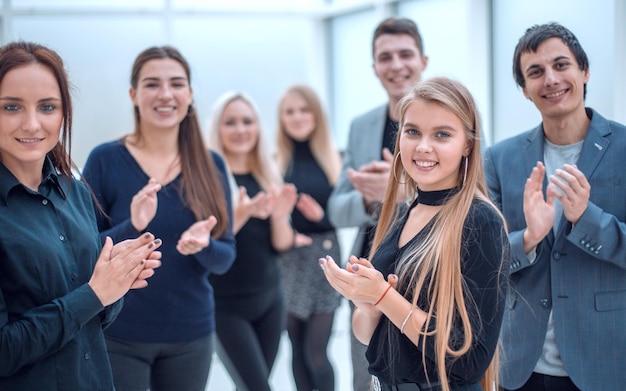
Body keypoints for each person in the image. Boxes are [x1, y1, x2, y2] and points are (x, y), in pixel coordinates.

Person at [320, 77, 509, 391]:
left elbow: (468, 361)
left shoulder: (480, 221)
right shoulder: (403, 213)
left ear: (467, 145)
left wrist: (383, 296)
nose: (423, 146)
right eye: (412, 132)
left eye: (442, 134)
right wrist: (367, 304)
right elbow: (369, 337)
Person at [0, 41, 162, 390]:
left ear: (63, 113)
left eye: (47, 107)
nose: (31, 123)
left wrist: (115, 284)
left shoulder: (75, 193)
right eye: (11, 106)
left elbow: (92, 319)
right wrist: (95, 293)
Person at [82, 46, 236, 391]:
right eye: (152, 84)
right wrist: (133, 226)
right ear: (134, 95)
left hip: (191, 335)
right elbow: (84, 253)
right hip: (118, 334)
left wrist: (203, 246)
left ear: (190, 95)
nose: (165, 94)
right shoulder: (105, 159)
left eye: (176, 84)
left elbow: (226, 258)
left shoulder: (212, 165)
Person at [483, 22, 626, 391]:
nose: (550, 79)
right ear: (525, 90)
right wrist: (529, 238)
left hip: (606, 360)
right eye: (535, 72)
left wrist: (586, 219)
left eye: (561, 65)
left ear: (584, 71)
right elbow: (484, 258)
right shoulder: (499, 159)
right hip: (520, 366)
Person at [326, 16, 429, 391]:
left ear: (424, 61)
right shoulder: (361, 126)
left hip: (427, 271)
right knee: (365, 375)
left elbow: (471, 196)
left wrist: (401, 191)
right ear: (374, 67)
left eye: (406, 54)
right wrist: (374, 198)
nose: (396, 65)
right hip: (370, 269)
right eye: (385, 57)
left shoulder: (452, 117)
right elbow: (337, 208)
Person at [207, 91, 297, 391]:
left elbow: (281, 245)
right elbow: (206, 247)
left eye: (248, 121)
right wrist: (240, 215)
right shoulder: (207, 178)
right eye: (230, 122)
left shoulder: (268, 173)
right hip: (225, 306)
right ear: (217, 128)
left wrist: (280, 216)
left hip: (271, 300)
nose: (241, 130)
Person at [275, 85, 343, 391]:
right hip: (288, 256)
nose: (298, 117)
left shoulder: (335, 159)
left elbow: (348, 215)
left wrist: (320, 217)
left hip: (325, 257)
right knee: (296, 348)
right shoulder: (274, 162)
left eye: (304, 110)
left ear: (316, 115)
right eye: (290, 111)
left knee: (317, 352)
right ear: (281, 118)